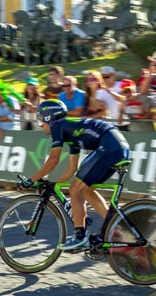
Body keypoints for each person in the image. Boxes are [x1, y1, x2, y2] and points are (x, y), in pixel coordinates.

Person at [20, 100, 130, 250]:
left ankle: (80, 236)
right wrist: (54, 184)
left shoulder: (57, 126)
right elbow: (72, 169)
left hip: (109, 146)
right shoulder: (70, 133)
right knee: (86, 189)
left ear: (48, 118)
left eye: (41, 120)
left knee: (75, 189)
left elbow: (53, 160)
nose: (40, 125)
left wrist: (32, 180)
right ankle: (116, 227)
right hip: (117, 146)